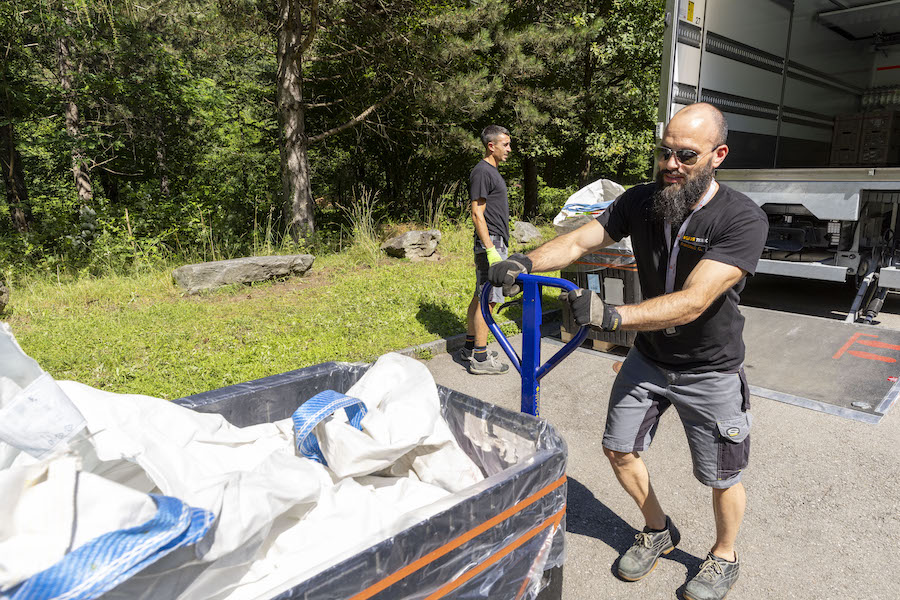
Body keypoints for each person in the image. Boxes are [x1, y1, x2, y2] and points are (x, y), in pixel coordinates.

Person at [488, 103, 768, 600]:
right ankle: (658, 529)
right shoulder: (642, 201)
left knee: (722, 475)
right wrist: (521, 260)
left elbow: (694, 301)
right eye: (664, 152)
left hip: (710, 369)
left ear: (717, 155)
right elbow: (580, 242)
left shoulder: (741, 218)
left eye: (686, 154)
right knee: (619, 450)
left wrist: (613, 316)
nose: (671, 164)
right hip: (649, 358)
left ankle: (724, 555)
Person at [460, 125, 513, 375]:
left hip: (493, 240)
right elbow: (476, 213)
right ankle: (480, 358)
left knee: (480, 295)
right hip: (490, 242)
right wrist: (491, 250)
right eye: (505, 144)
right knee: (489, 299)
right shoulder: (482, 172)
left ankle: (470, 348)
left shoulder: (491, 171)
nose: (509, 149)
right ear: (491, 146)